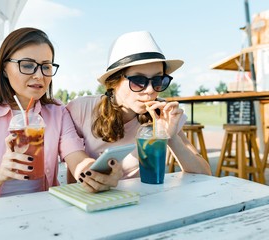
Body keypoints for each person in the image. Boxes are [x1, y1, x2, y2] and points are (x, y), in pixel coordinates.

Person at [0, 27, 123, 203]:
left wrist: (96, 173)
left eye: (46, 67)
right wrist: (0, 173)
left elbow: (76, 159)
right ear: (4, 69)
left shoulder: (57, 112)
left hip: (42, 211)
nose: (39, 75)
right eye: (27, 65)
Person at [66, 31, 212, 181]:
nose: (150, 90)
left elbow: (204, 173)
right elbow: (73, 168)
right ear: (113, 82)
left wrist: (171, 137)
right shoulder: (81, 109)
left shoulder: (163, 114)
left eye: (158, 80)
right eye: (138, 80)